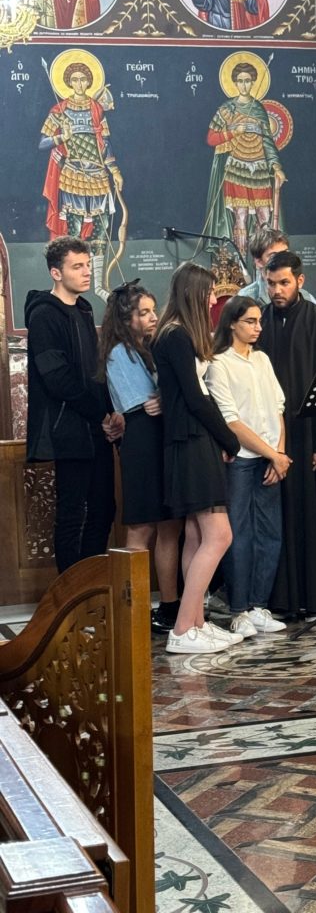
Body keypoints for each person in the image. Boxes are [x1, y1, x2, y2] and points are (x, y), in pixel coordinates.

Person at [152, 262, 243, 654]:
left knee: (195, 534)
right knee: (220, 535)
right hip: (189, 441)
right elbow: (195, 398)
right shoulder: (175, 335)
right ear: (192, 293)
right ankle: (182, 629)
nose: (212, 300)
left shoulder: (180, 333)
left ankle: (197, 623)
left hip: (194, 439)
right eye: (208, 293)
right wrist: (229, 439)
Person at [258, 251, 316, 616]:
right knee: (275, 518)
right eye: (270, 284)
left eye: (284, 283)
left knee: (313, 518)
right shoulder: (259, 321)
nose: (276, 291)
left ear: (300, 281)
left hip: (313, 434)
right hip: (271, 438)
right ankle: (280, 600)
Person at [25, 236, 122, 573]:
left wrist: (109, 412)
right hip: (67, 428)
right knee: (72, 514)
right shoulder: (43, 314)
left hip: (95, 427)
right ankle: (70, 592)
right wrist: (100, 413)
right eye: (77, 266)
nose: (86, 272)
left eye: (88, 265)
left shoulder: (84, 309)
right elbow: (57, 378)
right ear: (56, 272)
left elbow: (95, 371)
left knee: (104, 509)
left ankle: (90, 584)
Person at [98, 281, 183, 633]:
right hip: (142, 442)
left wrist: (166, 397)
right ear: (125, 318)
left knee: (170, 525)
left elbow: (162, 398)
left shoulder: (149, 347)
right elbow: (145, 403)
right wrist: (166, 395)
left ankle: (170, 605)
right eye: (143, 313)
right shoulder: (119, 352)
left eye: (153, 310)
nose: (152, 317)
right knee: (141, 527)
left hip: (161, 439)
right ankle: (132, 610)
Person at [207, 296, 291, 637]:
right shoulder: (219, 363)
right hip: (241, 458)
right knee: (239, 534)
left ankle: (259, 605)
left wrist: (279, 453)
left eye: (259, 321)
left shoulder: (262, 360)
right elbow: (231, 421)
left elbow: (278, 407)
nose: (258, 328)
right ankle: (238, 609)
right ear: (232, 324)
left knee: (270, 533)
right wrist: (272, 454)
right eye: (250, 322)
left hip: (271, 458)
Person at [39, 61, 124, 300]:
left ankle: (98, 286)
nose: (79, 83)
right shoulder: (59, 109)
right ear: (68, 82)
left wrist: (115, 170)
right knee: (74, 233)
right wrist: (61, 137)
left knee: (101, 231)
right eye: (74, 79)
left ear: (89, 81)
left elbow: (105, 143)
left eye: (83, 79)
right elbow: (42, 142)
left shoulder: (96, 109)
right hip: (73, 175)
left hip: (98, 176)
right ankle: (71, 287)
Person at [204, 62, 286, 258]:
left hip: (259, 169)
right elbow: (211, 138)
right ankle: (241, 263)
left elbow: (267, 141)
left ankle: (265, 263)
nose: (244, 85)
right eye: (240, 81)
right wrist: (234, 131)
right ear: (234, 83)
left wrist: (276, 167)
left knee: (265, 218)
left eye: (247, 81)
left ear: (253, 82)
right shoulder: (227, 109)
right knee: (240, 217)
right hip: (237, 168)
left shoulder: (258, 109)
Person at [239, 231, 316, 308]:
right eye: (274, 255)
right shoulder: (245, 298)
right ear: (259, 262)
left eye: (285, 253)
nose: (282, 259)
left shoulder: (306, 297)